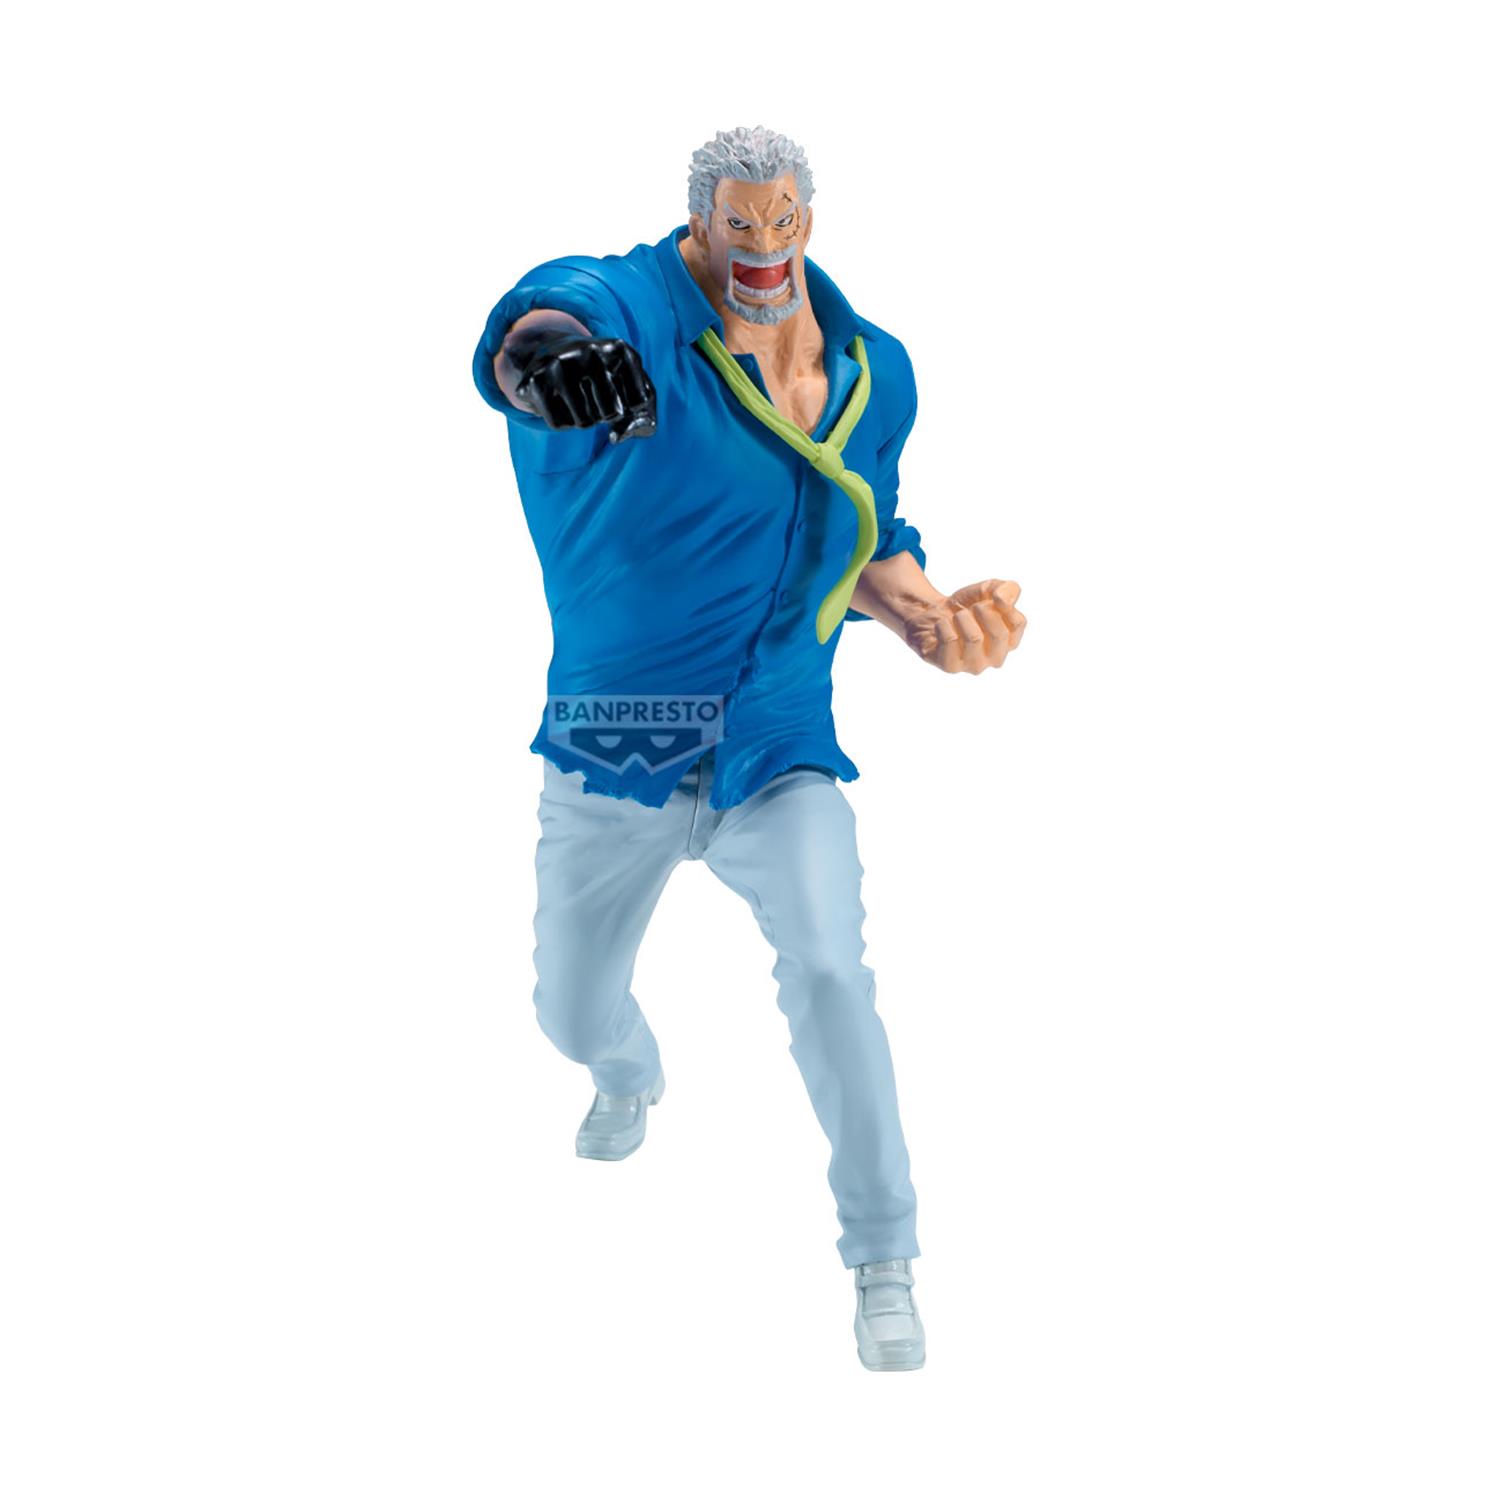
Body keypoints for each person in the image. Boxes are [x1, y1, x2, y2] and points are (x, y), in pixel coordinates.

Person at [472, 125, 1026, 1371]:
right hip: (617, 748)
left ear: (808, 222)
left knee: (833, 972)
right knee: (568, 1010)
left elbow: (863, 530)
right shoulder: (633, 316)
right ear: (700, 224)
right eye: (739, 226)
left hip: (779, 743)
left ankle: (884, 1255)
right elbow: (546, 311)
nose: (764, 247)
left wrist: (932, 619)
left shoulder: (874, 369)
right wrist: (550, 356)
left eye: (783, 223)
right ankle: (627, 1072)